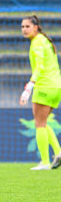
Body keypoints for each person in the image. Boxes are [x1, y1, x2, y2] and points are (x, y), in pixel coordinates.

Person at [19, 15, 61, 170]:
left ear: (35, 27)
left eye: (27, 26)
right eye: (22, 27)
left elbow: (40, 66)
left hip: (44, 86)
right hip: (56, 87)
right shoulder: (44, 40)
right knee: (43, 122)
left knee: (39, 124)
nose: (24, 30)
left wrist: (30, 85)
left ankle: (44, 162)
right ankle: (58, 152)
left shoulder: (37, 42)